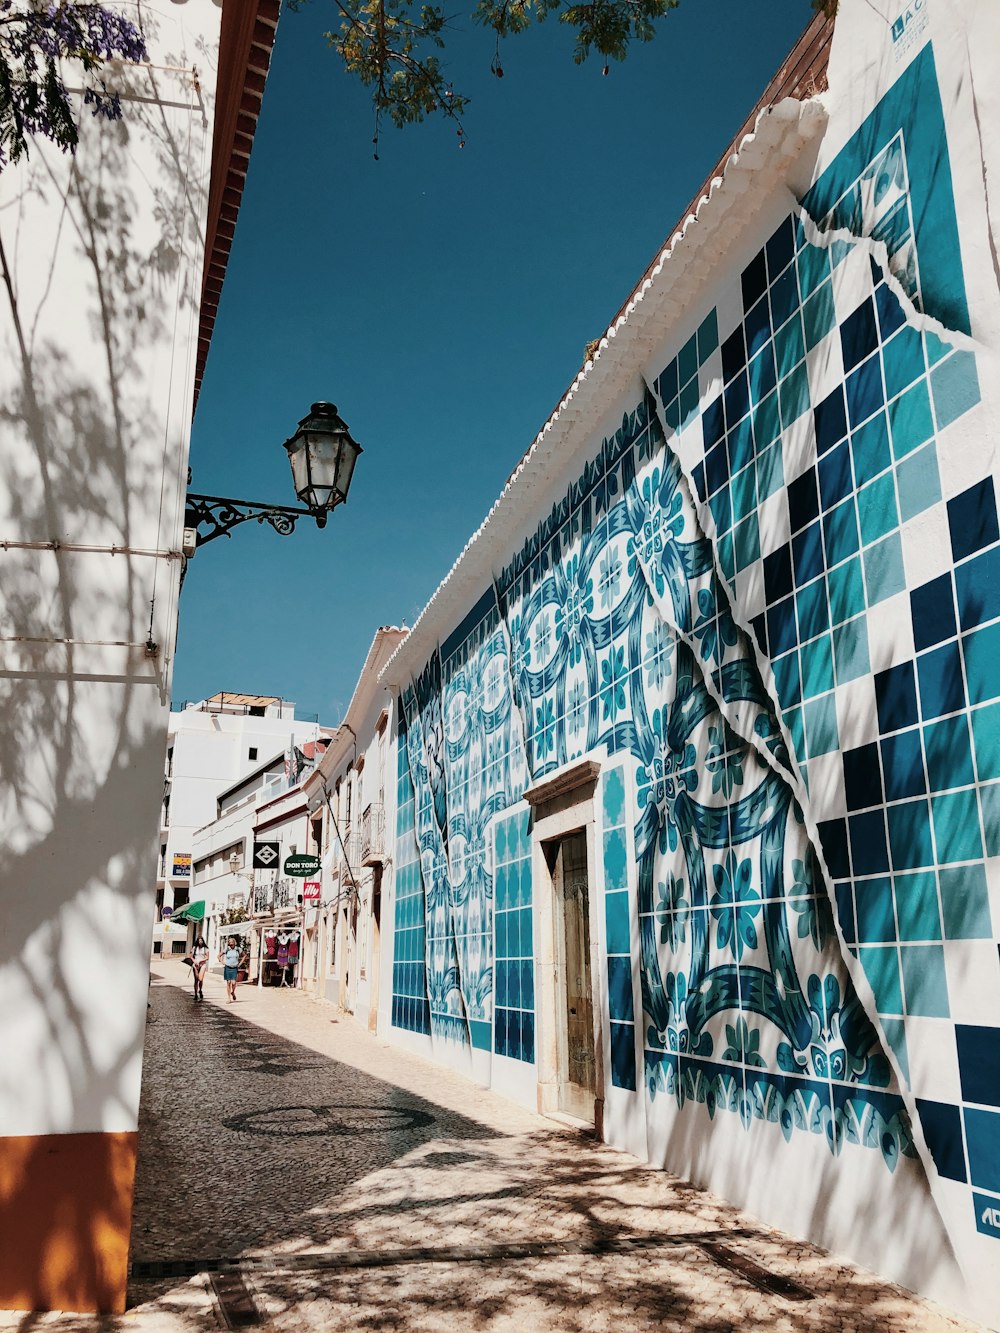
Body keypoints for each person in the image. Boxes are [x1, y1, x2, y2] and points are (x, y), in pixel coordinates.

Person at [220, 935, 240, 1002]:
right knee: (228, 982)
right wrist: (222, 961)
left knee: (234, 982)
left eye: (232, 942)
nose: (231, 944)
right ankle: (229, 998)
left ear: (234, 943)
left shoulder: (238, 949)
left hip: (234, 967)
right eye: (230, 942)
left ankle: (233, 992)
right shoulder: (227, 949)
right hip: (227, 967)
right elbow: (219, 956)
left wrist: (240, 963)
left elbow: (244, 955)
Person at [191, 935, 210, 1001]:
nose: (200, 942)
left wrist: (200, 961)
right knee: (196, 979)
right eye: (199, 941)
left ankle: (200, 990)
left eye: (201, 940)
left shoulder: (205, 948)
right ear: (197, 941)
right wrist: (195, 961)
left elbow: (207, 957)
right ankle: (196, 994)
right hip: (195, 964)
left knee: (200, 979)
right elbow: (191, 956)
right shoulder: (194, 948)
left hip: (202, 964)